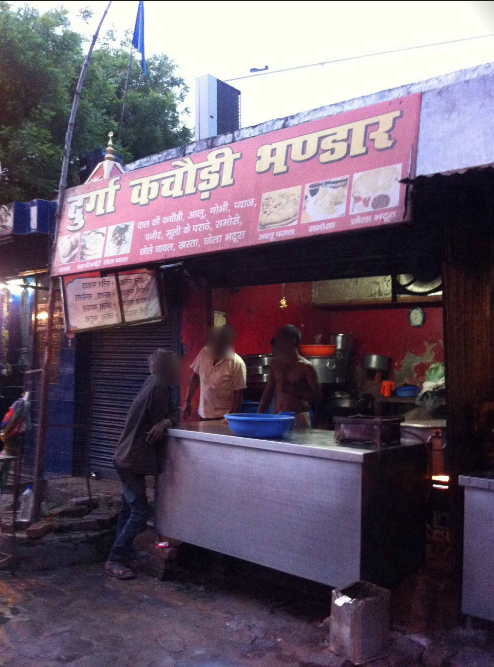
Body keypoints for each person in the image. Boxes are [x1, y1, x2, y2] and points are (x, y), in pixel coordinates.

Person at [105, 349, 180, 580]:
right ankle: (115, 559)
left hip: (126, 457)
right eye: (175, 365)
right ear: (167, 368)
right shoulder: (159, 387)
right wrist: (166, 421)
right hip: (131, 460)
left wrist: (166, 420)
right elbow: (165, 417)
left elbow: (166, 416)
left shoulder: (152, 383)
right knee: (140, 512)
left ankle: (123, 551)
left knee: (128, 509)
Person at [258, 325, 321, 428]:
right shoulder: (275, 363)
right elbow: (268, 391)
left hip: (299, 418)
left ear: (293, 341)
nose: (278, 343)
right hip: (278, 418)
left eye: (281, 339)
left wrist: (295, 391)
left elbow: (317, 396)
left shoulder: (306, 367)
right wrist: (258, 415)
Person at [182, 325, 247, 421]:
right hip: (203, 414)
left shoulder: (237, 363)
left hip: (224, 417)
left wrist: (232, 417)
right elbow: (195, 378)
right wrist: (187, 402)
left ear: (231, 341)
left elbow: (239, 393)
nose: (220, 343)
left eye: (225, 340)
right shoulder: (203, 353)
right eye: (219, 339)